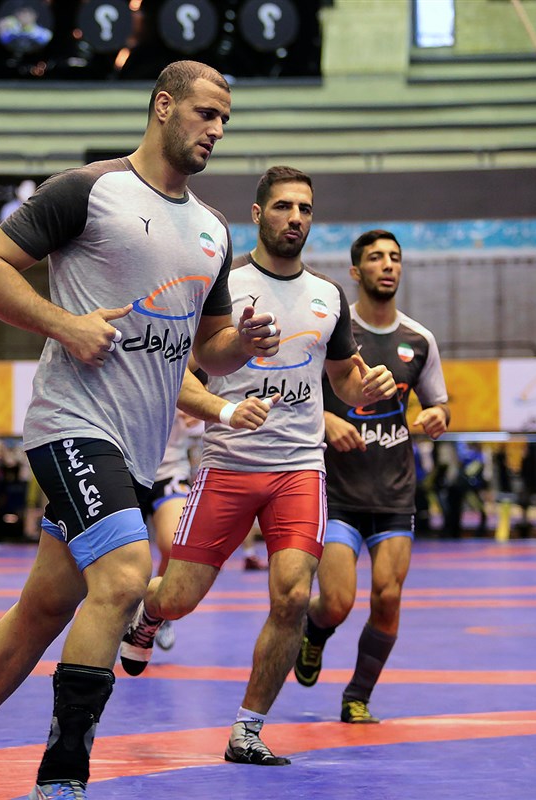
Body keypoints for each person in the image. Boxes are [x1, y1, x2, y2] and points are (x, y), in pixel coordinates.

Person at [0, 60, 282, 800]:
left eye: (225, 120)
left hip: (138, 451)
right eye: (205, 113)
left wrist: (243, 344)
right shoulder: (89, 189)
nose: (216, 129)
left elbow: (208, 352)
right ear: (163, 106)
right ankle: (62, 779)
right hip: (72, 425)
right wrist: (65, 325)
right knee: (124, 576)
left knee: (46, 607)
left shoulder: (212, 229)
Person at [118, 166, 397, 767]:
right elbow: (180, 377)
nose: (295, 218)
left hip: (299, 468)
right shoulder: (224, 287)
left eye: (304, 208)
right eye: (283, 206)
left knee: (293, 596)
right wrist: (224, 408)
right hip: (228, 466)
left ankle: (248, 729)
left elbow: (344, 381)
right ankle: (148, 613)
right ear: (256, 214)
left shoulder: (329, 296)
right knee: (179, 597)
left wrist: (366, 390)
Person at [294, 228, 450, 724]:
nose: (388, 265)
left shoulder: (419, 340)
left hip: (394, 494)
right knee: (337, 602)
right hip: (337, 492)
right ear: (356, 271)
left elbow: (440, 404)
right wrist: (325, 418)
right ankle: (314, 630)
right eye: (377, 257)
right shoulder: (332, 332)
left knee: (388, 596)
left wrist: (437, 417)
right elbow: (294, 395)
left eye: (395, 258)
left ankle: (357, 696)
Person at [137, 406, 204, 652]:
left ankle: (157, 610)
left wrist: (203, 407)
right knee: (125, 558)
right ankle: (124, 610)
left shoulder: (187, 382)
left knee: (176, 544)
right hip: (124, 470)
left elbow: (206, 411)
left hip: (171, 470)